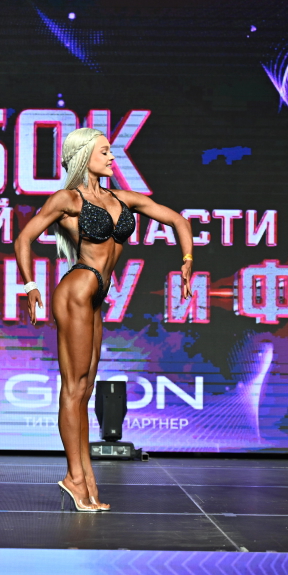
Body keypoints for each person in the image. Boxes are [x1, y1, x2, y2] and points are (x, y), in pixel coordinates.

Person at [14, 128, 195, 511]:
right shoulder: (68, 199)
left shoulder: (122, 198)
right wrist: (30, 285)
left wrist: (187, 261)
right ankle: (75, 477)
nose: (112, 158)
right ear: (84, 157)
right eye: (105, 152)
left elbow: (179, 221)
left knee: (85, 390)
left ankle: (85, 478)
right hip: (76, 291)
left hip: (96, 295)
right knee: (74, 389)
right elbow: (23, 239)